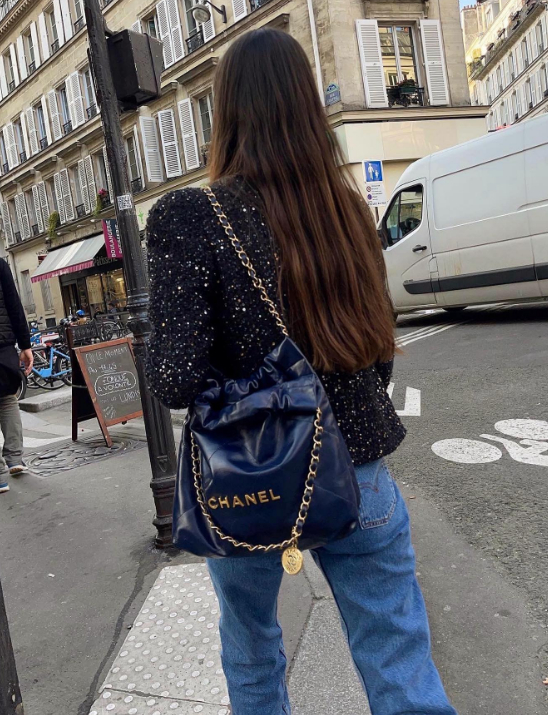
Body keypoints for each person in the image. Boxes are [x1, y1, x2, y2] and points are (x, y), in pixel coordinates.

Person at [146, 28, 457, 715]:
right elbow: (375, 346)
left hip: (246, 477)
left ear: (226, 112)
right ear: (307, 106)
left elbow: (174, 374)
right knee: (399, 661)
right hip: (358, 463)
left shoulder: (190, 217)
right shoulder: (344, 210)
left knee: (254, 650)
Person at [0, 258, 33, 493]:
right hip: (2, 348)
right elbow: (14, 303)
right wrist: (25, 344)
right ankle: (14, 459)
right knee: (7, 400)